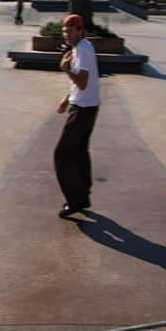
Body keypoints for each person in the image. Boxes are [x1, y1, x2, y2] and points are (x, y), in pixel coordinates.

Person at [53, 13, 100, 218]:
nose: (67, 34)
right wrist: (67, 98)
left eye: (71, 30)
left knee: (62, 154)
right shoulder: (83, 47)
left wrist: (65, 69)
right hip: (87, 105)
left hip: (82, 109)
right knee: (80, 151)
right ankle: (84, 191)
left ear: (80, 31)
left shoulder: (82, 50)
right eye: (65, 30)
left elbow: (82, 82)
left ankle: (76, 199)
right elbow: (79, 84)